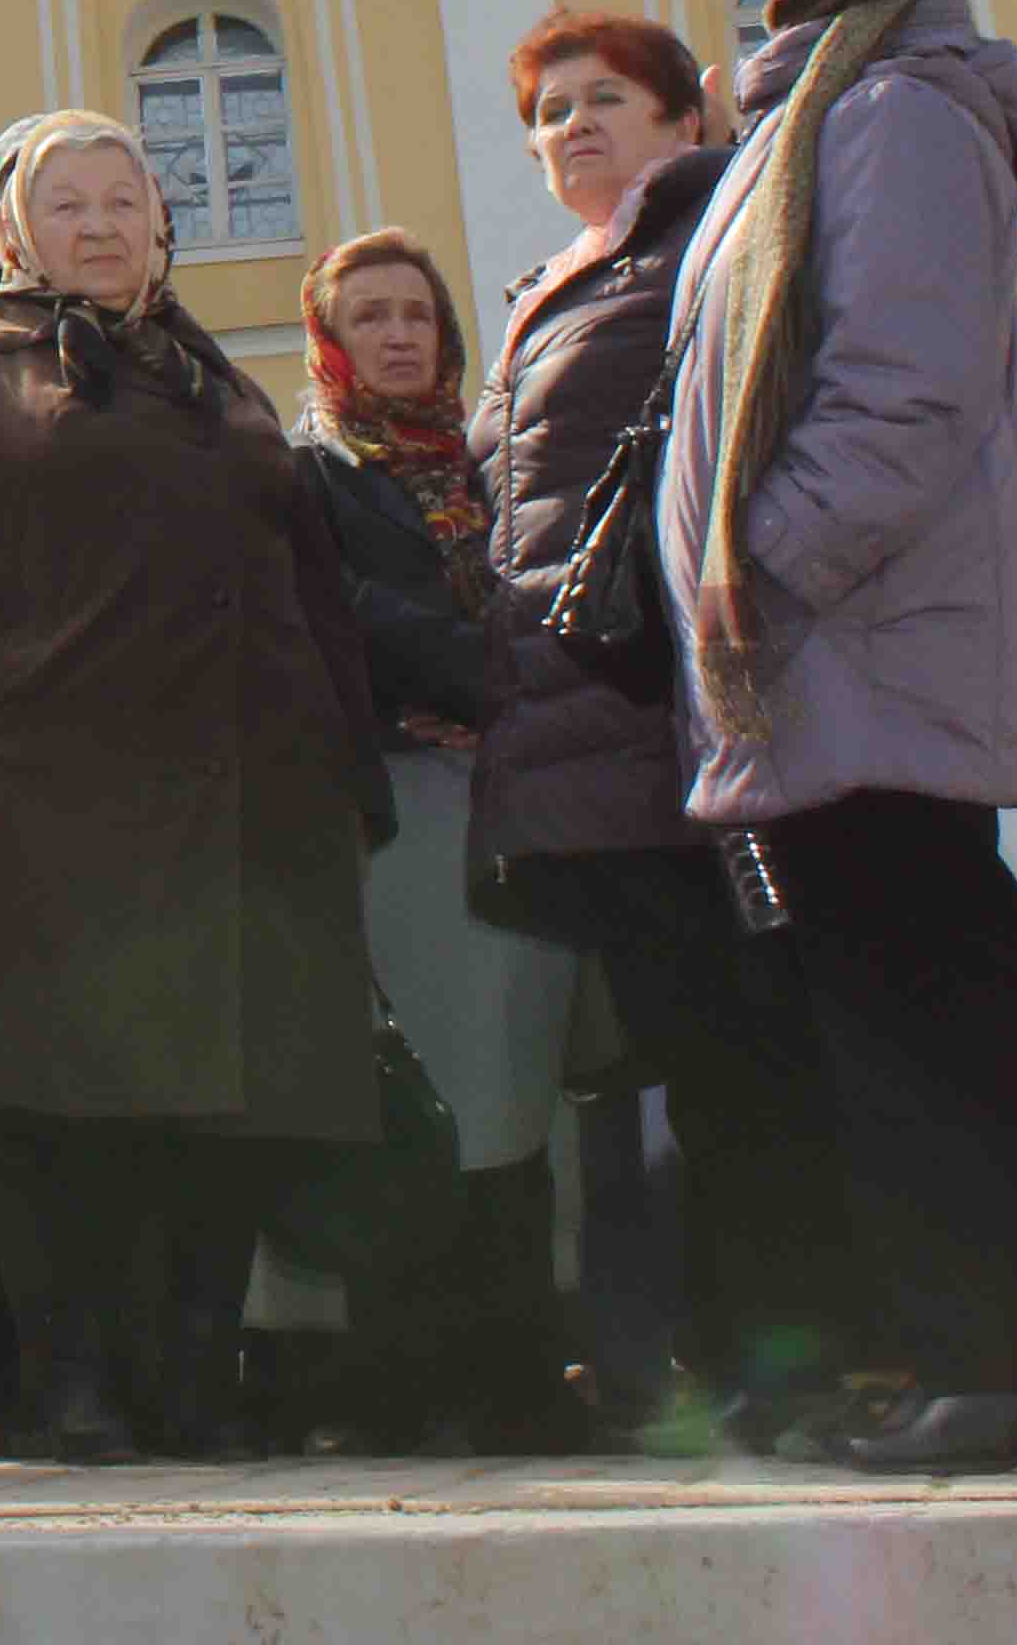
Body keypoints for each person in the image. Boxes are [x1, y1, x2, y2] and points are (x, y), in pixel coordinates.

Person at [655, 0, 1017, 1475]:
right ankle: (1002, 1369)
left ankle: (1009, 1371)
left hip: (858, 629)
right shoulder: (810, 102)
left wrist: (758, 568)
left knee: (931, 1015)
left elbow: (899, 394)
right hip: (822, 645)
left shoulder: (895, 104)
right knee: (906, 1010)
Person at [0, 112, 385, 1460]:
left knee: (227, 1103)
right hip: (66, 794)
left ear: (162, 221)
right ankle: (79, 1382)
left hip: (249, 798)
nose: (99, 225)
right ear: (11, 233)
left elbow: (304, 574)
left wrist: (338, 754)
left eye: (123, 199)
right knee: (63, 1112)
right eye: (66, 204)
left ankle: (194, 1378)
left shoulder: (215, 377)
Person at [467, 9, 859, 1445]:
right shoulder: (553, 283)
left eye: (608, 98)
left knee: (748, 1058)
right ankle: (732, 1356)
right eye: (550, 107)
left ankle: (793, 1362)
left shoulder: (708, 240)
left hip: (685, 714)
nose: (574, 123)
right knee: (688, 1060)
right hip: (588, 739)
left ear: (683, 118)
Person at [283, 227, 590, 1452]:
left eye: (417, 313)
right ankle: (406, 1377)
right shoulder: (313, 475)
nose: (399, 334)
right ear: (332, 339)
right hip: (401, 807)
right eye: (370, 316)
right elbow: (350, 614)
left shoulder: (491, 458)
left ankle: (517, 1372)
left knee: (523, 1091)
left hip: (515, 807)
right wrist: (502, 672)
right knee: (427, 1098)